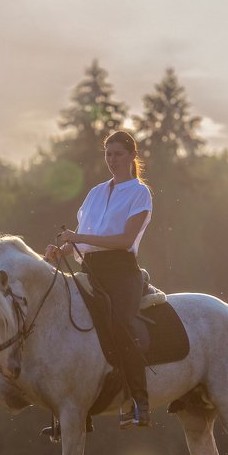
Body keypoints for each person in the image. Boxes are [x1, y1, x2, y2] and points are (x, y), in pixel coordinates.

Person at [46, 130, 153, 428]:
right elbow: (84, 242)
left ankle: (138, 403)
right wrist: (61, 250)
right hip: (90, 270)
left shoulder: (139, 193)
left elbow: (124, 239)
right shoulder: (94, 194)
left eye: (118, 154)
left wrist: (77, 237)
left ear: (132, 156)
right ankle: (68, 407)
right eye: (108, 154)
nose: (113, 160)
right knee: (61, 321)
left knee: (122, 326)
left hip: (121, 272)